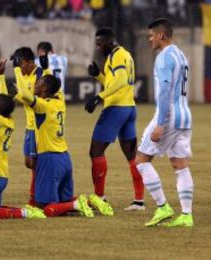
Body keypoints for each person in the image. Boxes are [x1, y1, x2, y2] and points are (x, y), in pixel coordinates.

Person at [13, 57, 93, 218]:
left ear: (44, 89)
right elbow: (55, 86)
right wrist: (46, 69)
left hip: (49, 158)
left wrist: (16, 69)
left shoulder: (43, 106)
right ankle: (90, 201)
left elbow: (25, 95)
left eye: (39, 83)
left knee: (44, 207)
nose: (35, 84)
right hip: (64, 157)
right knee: (62, 200)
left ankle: (77, 204)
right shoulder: (60, 102)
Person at [0, 58, 46, 220]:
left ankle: (25, 212)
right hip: (2, 175)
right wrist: (1, 76)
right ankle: (23, 211)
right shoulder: (8, 121)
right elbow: (4, 98)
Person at [136, 18, 194, 227]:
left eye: (151, 35)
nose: (150, 39)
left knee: (141, 160)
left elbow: (164, 91)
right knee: (180, 165)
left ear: (161, 35)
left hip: (168, 116)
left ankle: (162, 207)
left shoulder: (163, 57)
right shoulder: (180, 54)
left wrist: (160, 123)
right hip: (185, 116)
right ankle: (186, 215)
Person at [84, 28, 144, 215]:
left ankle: (100, 198)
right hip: (129, 108)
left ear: (111, 41)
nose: (98, 47)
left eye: (100, 43)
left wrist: (99, 97)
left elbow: (121, 81)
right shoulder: (124, 54)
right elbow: (115, 82)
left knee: (96, 151)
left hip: (115, 109)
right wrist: (98, 76)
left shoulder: (117, 55)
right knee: (132, 156)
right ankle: (139, 201)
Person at [11, 47, 48, 206]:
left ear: (28, 62)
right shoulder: (25, 75)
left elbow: (35, 99)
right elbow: (24, 96)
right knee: (29, 162)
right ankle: (39, 193)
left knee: (35, 162)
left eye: (19, 64)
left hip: (38, 126)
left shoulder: (39, 75)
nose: (18, 68)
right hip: (29, 125)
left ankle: (35, 197)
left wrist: (21, 95)